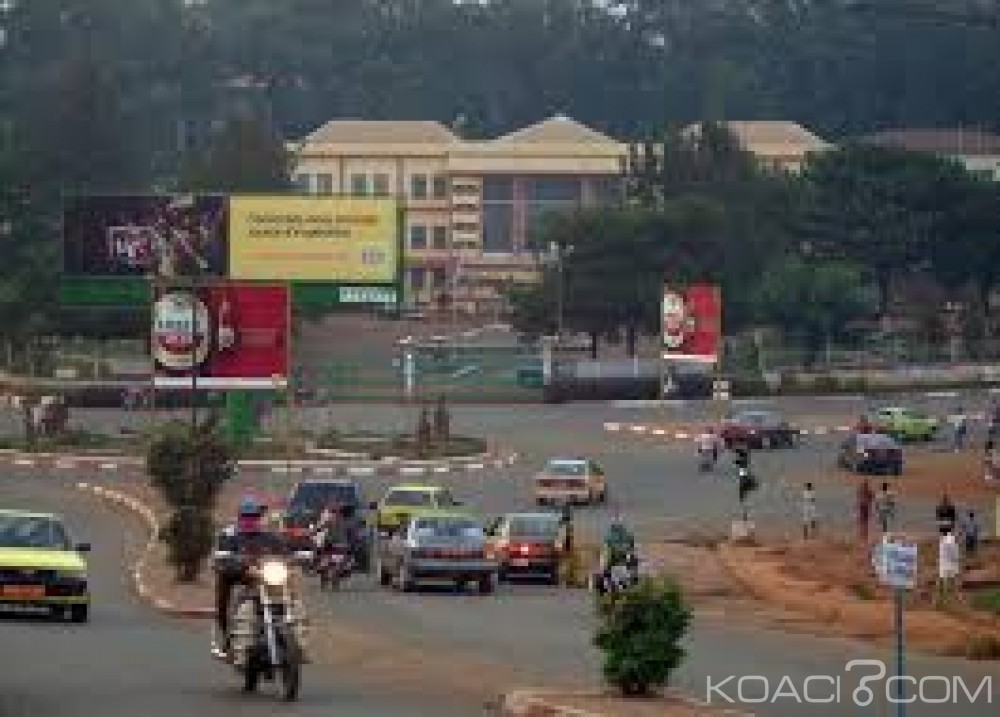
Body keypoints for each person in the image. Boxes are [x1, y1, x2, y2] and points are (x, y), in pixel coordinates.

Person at [212, 496, 289, 657]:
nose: (250, 520)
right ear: (240, 517)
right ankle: (226, 639)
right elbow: (221, 557)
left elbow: (283, 553)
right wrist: (237, 563)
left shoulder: (269, 536)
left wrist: (293, 560)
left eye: (254, 516)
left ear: (259, 518)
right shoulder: (229, 535)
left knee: (288, 595)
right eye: (246, 516)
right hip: (235, 576)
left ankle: (292, 632)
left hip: (263, 577)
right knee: (226, 599)